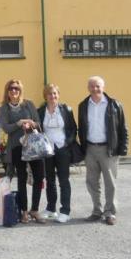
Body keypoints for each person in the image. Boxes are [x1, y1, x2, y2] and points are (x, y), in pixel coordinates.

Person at [78, 76, 129, 226]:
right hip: (90, 149)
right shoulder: (83, 105)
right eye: (92, 86)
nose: (95, 89)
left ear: (103, 87)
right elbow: (81, 127)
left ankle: (110, 212)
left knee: (110, 182)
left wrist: (122, 148)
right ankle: (97, 210)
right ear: (88, 88)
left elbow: (123, 128)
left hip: (109, 149)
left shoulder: (114, 105)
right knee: (92, 182)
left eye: (98, 86)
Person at [0, 79, 46, 224]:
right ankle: (24, 211)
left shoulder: (29, 104)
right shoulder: (4, 108)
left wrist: (31, 123)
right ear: (7, 91)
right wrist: (18, 124)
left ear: (20, 91)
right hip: (17, 147)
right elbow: (6, 128)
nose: (14, 91)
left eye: (17, 89)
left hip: (33, 146)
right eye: (11, 89)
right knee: (21, 178)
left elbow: (39, 123)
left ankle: (35, 209)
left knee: (39, 177)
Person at [37, 84, 78, 223]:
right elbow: (38, 129)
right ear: (45, 96)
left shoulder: (66, 109)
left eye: (55, 93)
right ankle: (51, 209)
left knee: (64, 180)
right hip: (48, 151)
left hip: (62, 149)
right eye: (50, 94)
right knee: (50, 180)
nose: (52, 96)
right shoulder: (41, 111)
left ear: (58, 95)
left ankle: (65, 211)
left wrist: (67, 143)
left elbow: (73, 128)